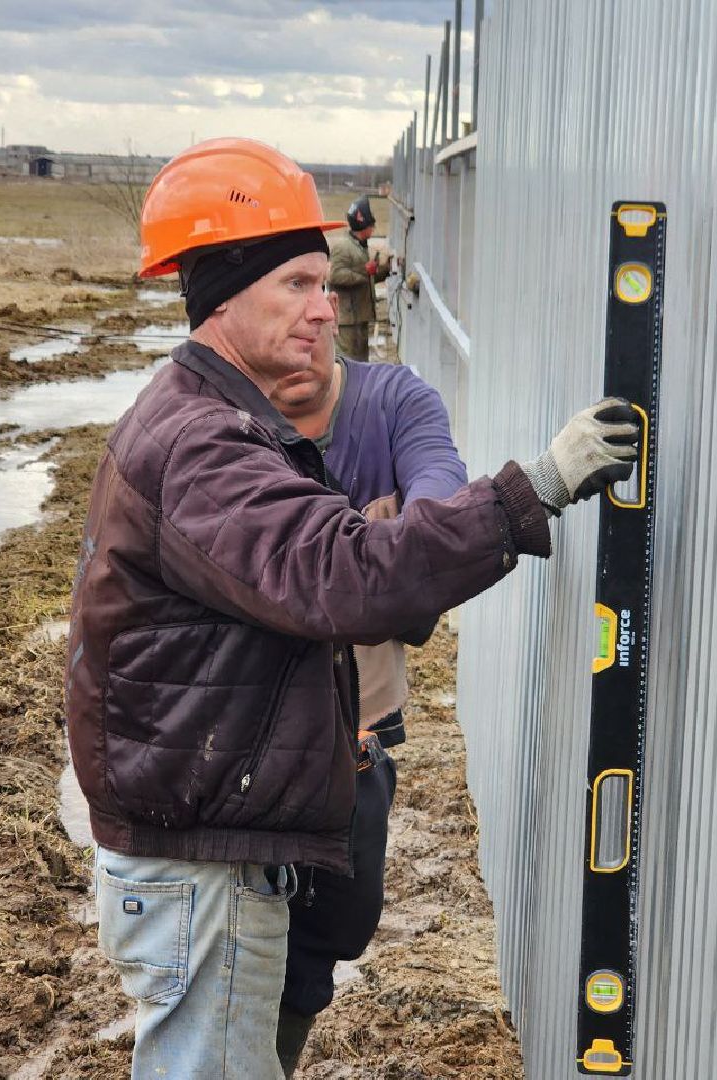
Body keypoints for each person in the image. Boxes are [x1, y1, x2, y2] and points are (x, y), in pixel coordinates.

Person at [65, 136, 640, 1080]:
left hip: (210, 829)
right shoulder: (205, 446)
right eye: (295, 283)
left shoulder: (217, 418)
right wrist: (535, 486)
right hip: (202, 861)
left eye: (324, 284)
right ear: (225, 294)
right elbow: (344, 577)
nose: (324, 306)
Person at [268, 296, 467, 1074]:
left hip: (354, 737)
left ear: (328, 325)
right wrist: (373, 541)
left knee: (329, 933)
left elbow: (441, 504)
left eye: (309, 324)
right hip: (249, 737)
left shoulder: (394, 402)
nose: (293, 355)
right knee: (236, 943)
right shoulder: (225, 424)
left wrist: (401, 548)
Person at [327, 194, 390, 361]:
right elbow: (334, 275)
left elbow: (366, 278)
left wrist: (385, 269)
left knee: (360, 363)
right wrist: (364, 271)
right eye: (371, 226)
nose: (373, 229)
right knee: (346, 362)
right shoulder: (343, 247)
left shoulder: (360, 247)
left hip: (360, 318)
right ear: (364, 226)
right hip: (347, 322)